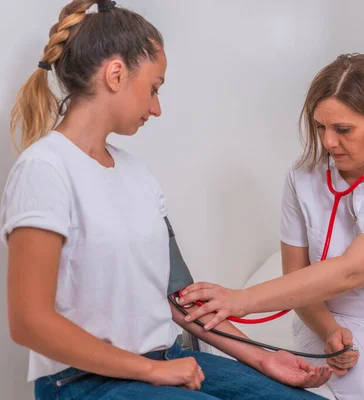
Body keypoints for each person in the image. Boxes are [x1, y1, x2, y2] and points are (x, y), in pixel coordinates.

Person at [1, 1, 331, 399]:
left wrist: (264, 359)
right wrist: (151, 373)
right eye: (154, 88)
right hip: (82, 382)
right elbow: (28, 322)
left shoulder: (136, 174)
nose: (157, 108)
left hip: (166, 359)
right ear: (116, 74)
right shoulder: (45, 169)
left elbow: (178, 295)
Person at [178, 54, 364, 399]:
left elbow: (349, 272)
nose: (328, 142)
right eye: (320, 127)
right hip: (340, 319)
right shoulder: (302, 178)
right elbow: (297, 278)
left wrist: (240, 300)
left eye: (343, 130)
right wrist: (329, 330)